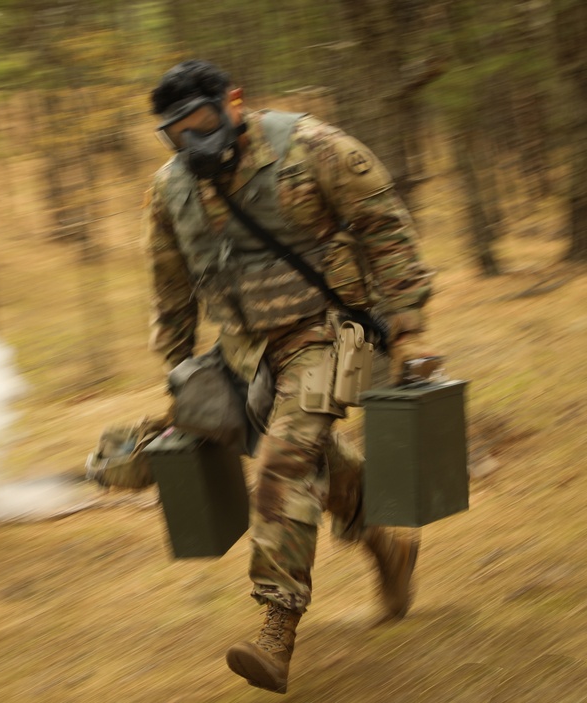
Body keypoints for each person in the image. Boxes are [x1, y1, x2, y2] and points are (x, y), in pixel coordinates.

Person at [144, 59, 437, 694]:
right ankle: (389, 547)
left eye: (201, 124)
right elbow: (171, 291)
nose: (193, 143)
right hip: (243, 353)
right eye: (176, 134)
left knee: (283, 460)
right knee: (315, 458)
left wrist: (409, 327)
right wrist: (179, 379)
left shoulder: (314, 148)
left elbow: (385, 229)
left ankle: (276, 628)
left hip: (330, 330)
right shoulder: (169, 192)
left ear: (234, 103)